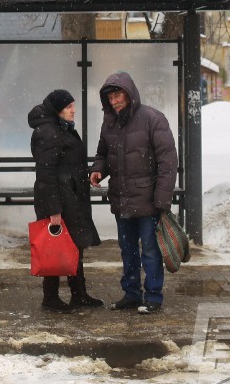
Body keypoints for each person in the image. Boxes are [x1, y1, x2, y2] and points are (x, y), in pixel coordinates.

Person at [88, 72, 178, 314]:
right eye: (110, 98)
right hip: (121, 199)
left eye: (118, 95)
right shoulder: (110, 122)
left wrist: (161, 200)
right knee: (127, 250)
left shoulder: (152, 118)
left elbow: (168, 162)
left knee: (150, 250)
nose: (114, 101)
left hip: (148, 201)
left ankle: (153, 297)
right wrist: (98, 170)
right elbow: (103, 154)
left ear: (129, 93)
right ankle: (131, 294)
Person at [28, 89, 103, 313]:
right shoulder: (48, 132)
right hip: (58, 198)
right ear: (57, 110)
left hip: (71, 196)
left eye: (73, 105)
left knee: (74, 244)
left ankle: (78, 293)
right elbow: (46, 174)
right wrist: (54, 210)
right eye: (69, 106)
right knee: (55, 246)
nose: (73, 110)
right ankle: (50, 297)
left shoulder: (61, 128)